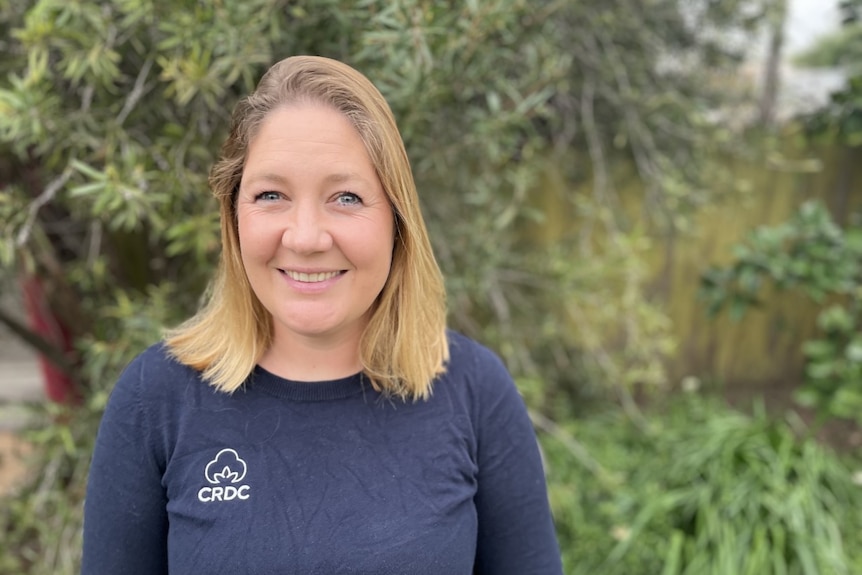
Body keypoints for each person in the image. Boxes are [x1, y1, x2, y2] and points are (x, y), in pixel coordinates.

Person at [82, 55, 563, 575]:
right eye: (271, 195)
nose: (306, 238)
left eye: (346, 197)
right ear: (233, 215)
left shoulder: (474, 392)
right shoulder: (155, 399)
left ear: (397, 221)